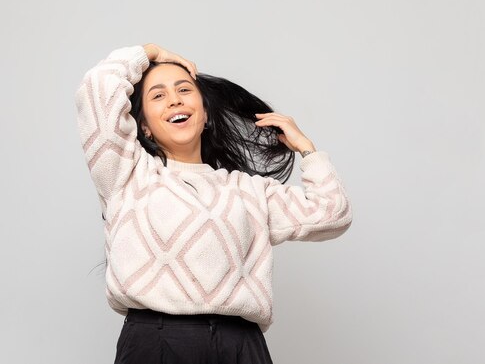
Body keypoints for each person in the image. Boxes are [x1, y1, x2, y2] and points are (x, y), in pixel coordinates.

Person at [75, 43, 353, 364]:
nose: (175, 99)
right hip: (156, 341)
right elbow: (97, 88)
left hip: (240, 345)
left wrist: (307, 149)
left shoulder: (248, 191)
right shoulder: (126, 173)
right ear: (145, 126)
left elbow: (332, 213)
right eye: (158, 95)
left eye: (184, 89)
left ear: (205, 113)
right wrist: (150, 52)